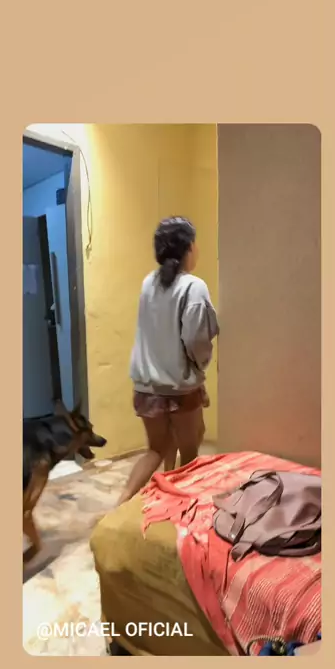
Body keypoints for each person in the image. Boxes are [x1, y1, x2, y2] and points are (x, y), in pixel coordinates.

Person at [117, 216, 219, 506]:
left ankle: (120, 502)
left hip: (146, 387)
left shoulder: (148, 283)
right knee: (190, 451)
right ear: (188, 248)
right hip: (180, 388)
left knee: (156, 449)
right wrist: (200, 370)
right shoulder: (194, 287)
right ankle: (180, 507)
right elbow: (196, 341)